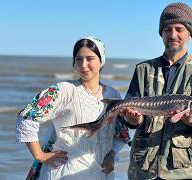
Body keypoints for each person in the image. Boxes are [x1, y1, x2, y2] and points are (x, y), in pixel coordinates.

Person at [118, 2, 192, 179]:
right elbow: (130, 116)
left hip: (184, 169)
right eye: (167, 29)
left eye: (179, 29)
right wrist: (133, 119)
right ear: (161, 33)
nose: (173, 35)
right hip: (144, 167)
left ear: (189, 33)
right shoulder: (143, 69)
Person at [15, 37, 130, 180]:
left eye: (90, 58)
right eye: (79, 59)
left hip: (100, 173)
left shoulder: (113, 94)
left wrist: (112, 155)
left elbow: (120, 133)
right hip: (63, 172)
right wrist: (40, 155)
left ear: (101, 61)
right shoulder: (64, 90)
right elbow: (26, 116)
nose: (84, 64)